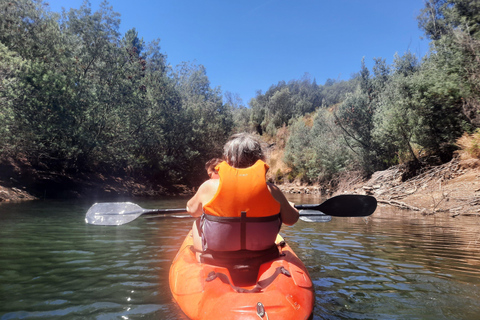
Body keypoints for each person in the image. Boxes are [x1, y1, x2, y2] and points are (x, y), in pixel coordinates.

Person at [187, 132, 299, 257]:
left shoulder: (209, 186)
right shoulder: (272, 190)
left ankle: (200, 258)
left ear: (227, 159)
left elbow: (192, 210)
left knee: (198, 220)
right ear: (260, 159)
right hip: (262, 254)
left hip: (219, 256)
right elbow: (291, 219)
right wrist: (289, 206)